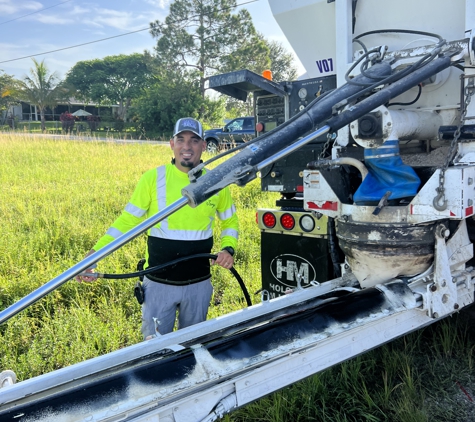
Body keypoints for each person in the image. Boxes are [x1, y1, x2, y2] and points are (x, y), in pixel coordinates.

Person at [77, 117, 239, 339]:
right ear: (172, 144)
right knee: (155, 349)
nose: (187, 146)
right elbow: (126, 222)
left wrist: (228, 248)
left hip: (199, 284)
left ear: (204, 146)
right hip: (159, 284)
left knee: (192, 345)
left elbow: (230, 221)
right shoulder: (152, 179)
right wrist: (94, 256)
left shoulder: (215, 181)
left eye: (194, 140)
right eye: (180, 140)